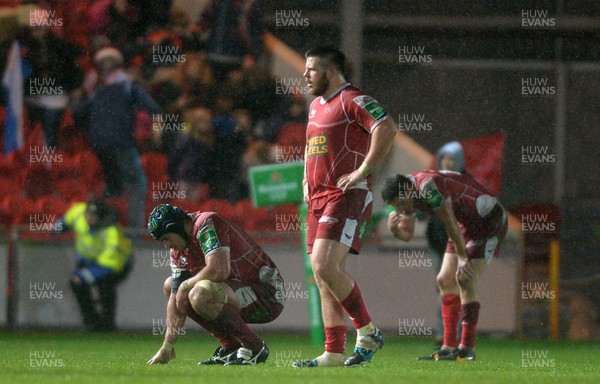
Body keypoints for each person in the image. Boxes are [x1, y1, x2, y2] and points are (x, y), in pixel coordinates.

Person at [293, 45, 398, 367]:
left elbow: (387, 128)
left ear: (330, 71)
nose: (305, 75)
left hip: (346, 195)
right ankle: (333, 353)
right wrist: (305, 180)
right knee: (323, 275)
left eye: (311, 69)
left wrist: (363, 172)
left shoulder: (353, 98)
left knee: (325, 266)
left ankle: (367, 331)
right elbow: (315, 149)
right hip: (318, 197)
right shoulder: (314, 106)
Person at [382, 170, 508, 361]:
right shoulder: (404, 193)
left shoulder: (427, 186)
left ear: (407, 191)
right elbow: (407, 235)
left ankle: (467, 349)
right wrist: (394, 230)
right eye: (396, 207)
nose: (401, 209)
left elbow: (449, 220)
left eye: (400, 204)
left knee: (465, 279)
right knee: (444, 280)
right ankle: (448, 347)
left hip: (488, 220)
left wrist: (463, 257)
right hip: (463, 224)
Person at [146, 204, 285, 366]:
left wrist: (185, 286)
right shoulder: (178, 250)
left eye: (166, 239)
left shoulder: (206, 223)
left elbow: (219, 270)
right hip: (236, 291)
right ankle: (230, 346)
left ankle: (254, 347)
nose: (167, 245)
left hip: (268, 295)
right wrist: (167, 347)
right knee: (171, 286)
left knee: (199, 294)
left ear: (174, 227)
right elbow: (177, 298)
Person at [72, 46, 161, 228]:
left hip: (100, 145)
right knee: (137, 183)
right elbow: (153, 107)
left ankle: (93, 220)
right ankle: (135, 232)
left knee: (114, 185)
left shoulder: (97, 92)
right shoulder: (129, 86)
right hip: (121, 143)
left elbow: (77, 114)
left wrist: (85, 91)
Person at [59, 199, 133, 332]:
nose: (88, 218)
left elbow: (108, 266)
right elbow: (63, 222)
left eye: (93, 216)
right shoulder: (78, 212)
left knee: (105, 286)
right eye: (88, 214)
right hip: (88, 260)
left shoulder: (111, 231)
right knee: (77, 284)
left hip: (116, 265)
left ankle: (107, 324)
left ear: (101, 218)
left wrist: (83, 275)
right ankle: (91, 322)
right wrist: (59, 227)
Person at [427, 141, 467, 344]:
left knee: (461, 286)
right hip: (439, 243)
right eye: (444, 157)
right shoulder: (434, 180)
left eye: (452, 158)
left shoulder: (466, 182)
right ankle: (444, 331)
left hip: (462, 243)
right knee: (443, 285)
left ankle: (459, 334)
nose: (447, 162)